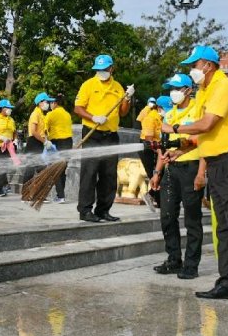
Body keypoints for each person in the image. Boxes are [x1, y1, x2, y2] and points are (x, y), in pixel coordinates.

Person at [173, 45, 228, 312]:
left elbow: (207, 124)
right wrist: (180, 147)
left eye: (194, 65)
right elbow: (201, 135)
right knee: (223, 227)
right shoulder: (204, 91)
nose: (192, 70)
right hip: (215, 162)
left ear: (208, 65)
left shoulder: (224, 87)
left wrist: (174, 128)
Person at [152, 74, 204, 280]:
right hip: (171, 169)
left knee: (192, 218)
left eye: (177, 88)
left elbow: (202, 137)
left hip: (191, 167)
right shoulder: (169, 115)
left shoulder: (198, 109)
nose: (173, 93)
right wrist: (157, 172)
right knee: (167, 216)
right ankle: (174, 258)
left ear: (188, 90)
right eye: (170, 89)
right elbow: (163, 146)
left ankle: (191, 264)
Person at [73, 54, 135, 223]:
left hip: (111, 136)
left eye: (104, 69)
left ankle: (103, 210)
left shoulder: (118, 87)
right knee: (89, 173)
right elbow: (78, 108)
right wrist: (93, 117)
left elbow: (123, 112)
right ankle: (85, 210)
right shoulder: (88, 85)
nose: (101, 72)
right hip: (93, 135)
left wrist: (127, 98)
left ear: (111, 68)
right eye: (98, 69)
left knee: (108, 175)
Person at [22, 92, 55, 186]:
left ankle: (38, 194)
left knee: (42, 169)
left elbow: (41, 131)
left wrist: (46, 140)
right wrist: (44, 141)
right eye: (47, 102)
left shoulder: (42, 114)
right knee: (30, 170)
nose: (48, 104)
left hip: (38, 143)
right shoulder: (35, 114)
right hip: (33, 143)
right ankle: (25, 194)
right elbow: (33, 131)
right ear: (40, 102)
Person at [46, 94, 73, 203]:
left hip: (56, 142)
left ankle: (60, 196)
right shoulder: (67, 114)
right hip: (68, 142)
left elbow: (44, 129)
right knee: (62, 169)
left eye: (50, 103)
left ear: (55, 103)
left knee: (55, 170)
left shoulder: (50, 114)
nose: (49, 105)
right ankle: (61, 196)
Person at [139, 96, 163, 208]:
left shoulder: (162, 117)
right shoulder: (151, 117)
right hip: (148, 148)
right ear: (159, 107)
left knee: (160, 174)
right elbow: (149, 138)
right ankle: (155, 198)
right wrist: (158, 150)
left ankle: (157, 199)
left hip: (158, 147)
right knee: (155, 174)